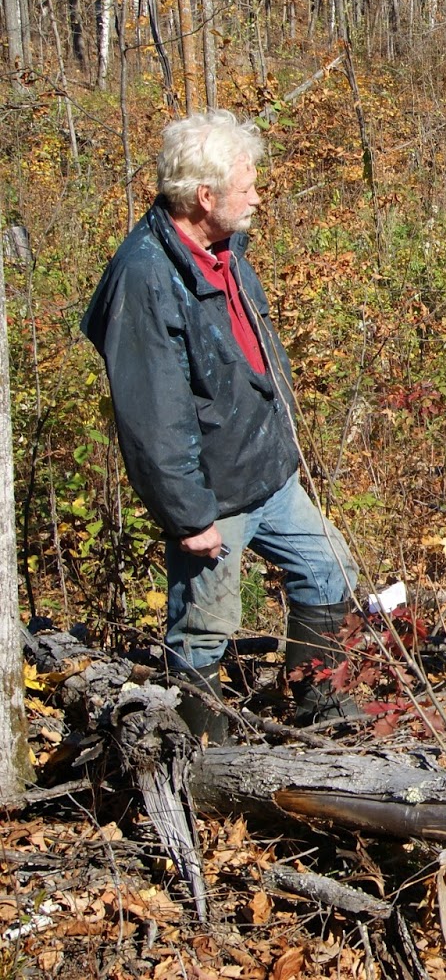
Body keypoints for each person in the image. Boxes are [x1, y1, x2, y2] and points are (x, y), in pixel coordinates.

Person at [81, 109, 362, 740]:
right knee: (206, 624)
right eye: (247, 184)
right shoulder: (147, 277)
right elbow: (153, 417)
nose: (258, 195)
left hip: (267, 473)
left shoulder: (223, 250)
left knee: (328, 570)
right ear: (205, 196)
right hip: (212, 494)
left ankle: (320, 712)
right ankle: (199, 758)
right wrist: (189, 515)